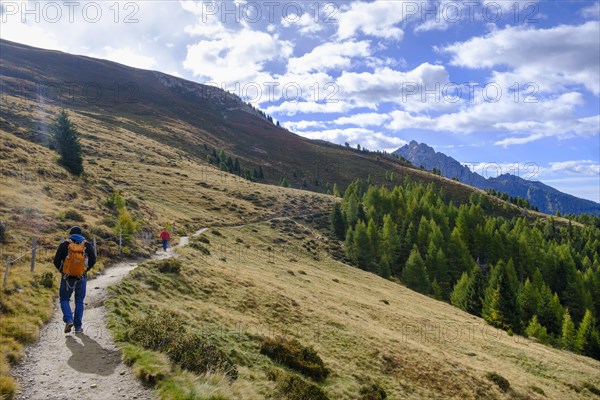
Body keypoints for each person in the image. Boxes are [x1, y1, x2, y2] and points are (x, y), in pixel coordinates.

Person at [53, 226, 96, 334]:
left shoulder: (64, 244)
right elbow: (93, 259)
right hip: (81, 277)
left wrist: (63, 272)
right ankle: (78, 327)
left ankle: (68, 320)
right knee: (79, 301)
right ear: (81, 234)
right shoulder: (86, 245)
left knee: (64, 299)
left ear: (70, 234)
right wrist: (85, 270)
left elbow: (56, 261)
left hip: (67, 277)